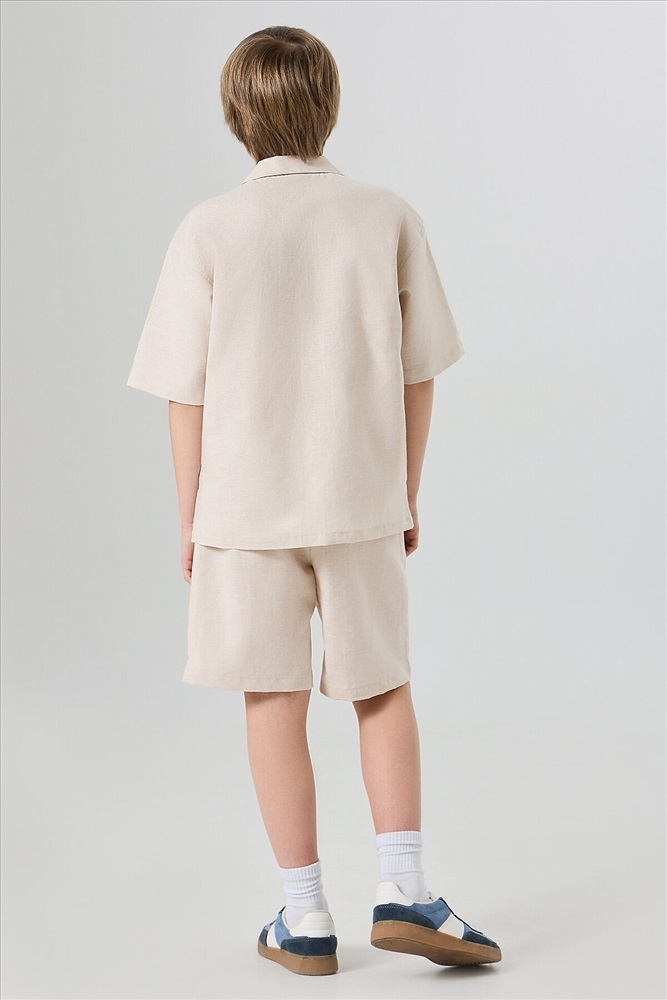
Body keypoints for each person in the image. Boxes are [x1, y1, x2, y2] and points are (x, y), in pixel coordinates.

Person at [126, 24, 501, 978]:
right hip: (358, 498)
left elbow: (185, 393)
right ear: (329, 107)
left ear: (235, 115)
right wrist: (404, 491)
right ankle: (404, 887)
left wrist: (191, 517)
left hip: (243, 511)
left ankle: (303, 916)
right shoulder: (385, 215)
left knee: (272, 698)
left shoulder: (207, 228)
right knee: (381, 687)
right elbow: (419, 371)